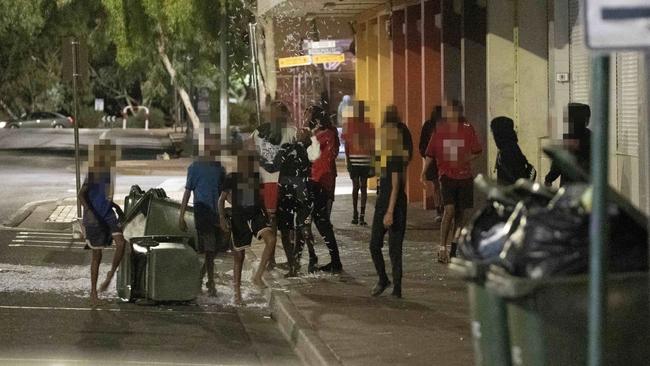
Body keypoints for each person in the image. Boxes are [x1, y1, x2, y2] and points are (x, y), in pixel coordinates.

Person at [421, 100, 482, 264]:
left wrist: (467, 158)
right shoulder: (440, 130)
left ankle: (454, 247)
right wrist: (424, 172)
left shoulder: (467, 129)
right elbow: (430, 154)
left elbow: (477, 150)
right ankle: (442, 247)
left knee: (462, 214)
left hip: (465, 176)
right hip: (447, 176)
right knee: (449, 210)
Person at [218, 137, 277, 303]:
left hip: (256, 215)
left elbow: (259, 198)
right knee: (239, 256)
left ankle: (257, 276)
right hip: (239, 219)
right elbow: (221, 200)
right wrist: (222, 218)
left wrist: (267, 215)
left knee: (271, 240)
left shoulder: (257, 177)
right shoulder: (232, 177)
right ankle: (237, 293)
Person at [369, 105, 413, 298]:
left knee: (391, 248)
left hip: (392, 204)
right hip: (386, 202)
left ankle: (395, 286)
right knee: (379, 245)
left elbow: (395, 185)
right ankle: (386, 281)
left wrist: (389, 211)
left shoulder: (395, 156)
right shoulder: (386, 155)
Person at [179, 126, 227, 297]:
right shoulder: (195, 168)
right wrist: (181, 215)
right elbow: (187, 191)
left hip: (217, 213)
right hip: (203, 212)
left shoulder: (219, 168)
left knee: (213, 250)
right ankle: (210, 283)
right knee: (209, 248)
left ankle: (200, 277)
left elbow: (224, 192)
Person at [78, 139, 127, 306]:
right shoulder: (94, 171)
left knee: (121, 243)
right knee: (96, 255)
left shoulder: (109, 172)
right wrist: (90, 212)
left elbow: (104, 196)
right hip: (94, 217)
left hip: (107, 214)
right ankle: (93, 292)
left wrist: (116, 207)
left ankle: (110, 275)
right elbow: (81, 194)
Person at [251, 101, 298, 269]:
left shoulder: (260, 132)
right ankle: (285, 261)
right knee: (280, 226)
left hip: (275, 184)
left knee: (276, 225)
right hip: (277, 184)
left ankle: (278, 261)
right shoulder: (290, 132)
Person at [274, 127, 318, 276]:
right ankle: (310, 257)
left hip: (286, 191)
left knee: (286, 231)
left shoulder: (285, 148)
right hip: (302, 191)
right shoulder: (308, 152)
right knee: (304, 227)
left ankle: (293, 265)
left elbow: (274, 168)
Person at [307, 105, 343, 273]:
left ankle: (334, 261)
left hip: (320, 180)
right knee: (321, 221)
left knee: (321, 222)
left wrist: (311, 137)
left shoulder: (323, 135)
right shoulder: (328, 133)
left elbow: (315, 156)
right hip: (322, 179)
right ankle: (333, 260)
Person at [342, 100, 375, 226]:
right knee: (363, 187)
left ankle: (356, 214)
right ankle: (361, 215)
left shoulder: (349, 124)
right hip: (365, 160)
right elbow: (372, 146)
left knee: (356, 187)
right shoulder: (369, 125)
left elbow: (346, 145)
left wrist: (348, 160)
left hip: (355, 160)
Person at [544, 103, 591, 186]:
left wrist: (549, 179)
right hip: (587, 188)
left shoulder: (566, 139)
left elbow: (558, 164)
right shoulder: (592, 138)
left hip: (568, 189)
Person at [490, 116, 535, 185]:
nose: (493, 136)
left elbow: (516, 177)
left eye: (494, 132)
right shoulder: (509, 146)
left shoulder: (508, 150)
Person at [419, 106, 444, 223]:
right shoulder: (429, 126)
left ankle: (441, 209)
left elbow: (422, 145)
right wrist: (427, 156)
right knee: (437, 185)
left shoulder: (432, 125)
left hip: (440, 160)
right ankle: (440, 209)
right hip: (435, 161)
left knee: (438, 186)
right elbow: (423, 144)